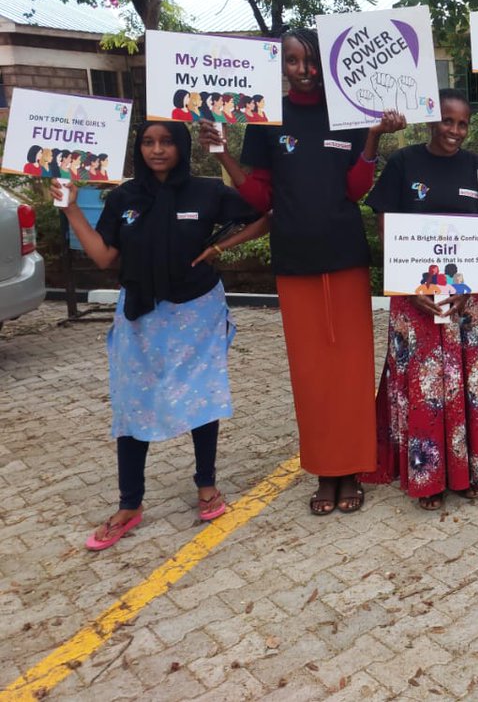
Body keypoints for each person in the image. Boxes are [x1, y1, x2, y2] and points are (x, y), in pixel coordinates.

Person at [199, 27, 398, 516]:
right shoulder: (267, 121)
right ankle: (325, 471)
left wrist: (372, 137)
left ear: (325, 66)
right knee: (310, 374)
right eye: (293, 61)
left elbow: (355, 189)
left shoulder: (350, 113)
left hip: (346, 259)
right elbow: (262, 197)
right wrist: (222, 151)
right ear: (281, 66)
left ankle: (352, 468)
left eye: (311, 61)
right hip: (294, 262)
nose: (304, 70)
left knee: (351, 372)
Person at [56, 121, 268, 550]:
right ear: (139, 148)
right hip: (140, 313)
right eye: (149, 142)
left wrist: (220, 247)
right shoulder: (124, 198)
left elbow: (267, 214)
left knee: (200, 395)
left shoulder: (208, 192)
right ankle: (129, 504)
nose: (157, 150)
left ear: (182, 146)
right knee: (132, 404)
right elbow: (104, 257)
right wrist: (70, 208)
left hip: (197, 310)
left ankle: (206, 485)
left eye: (167, 142)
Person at [364, 89, 478, 509]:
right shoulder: (403, 163)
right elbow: (386, 230)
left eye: (462, 124)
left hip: (470, 301)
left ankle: (467, 470)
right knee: (426, 387)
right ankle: (427, 476)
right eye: (447, 121)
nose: (454, 131)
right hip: (415, 297)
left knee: (472, 385)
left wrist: (468, 291)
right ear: (433, 120)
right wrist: (412, 288)